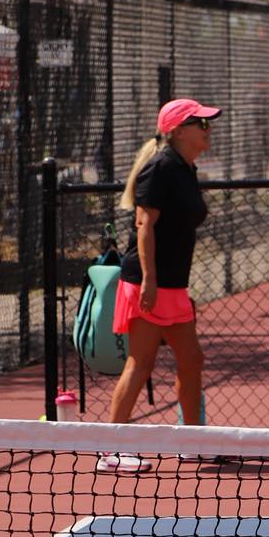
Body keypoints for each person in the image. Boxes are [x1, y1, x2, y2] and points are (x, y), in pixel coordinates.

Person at [102, 98, 219, 471]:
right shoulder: (161, 168)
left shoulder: (186, 168)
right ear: (179, 130)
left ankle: (192, 441)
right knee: (141, 363)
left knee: (192, 360)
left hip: (173, 286)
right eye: (201, 122)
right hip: (147, 283)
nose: (208, 128)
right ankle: (111, 450)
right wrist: (150, 282)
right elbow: (144, 225)